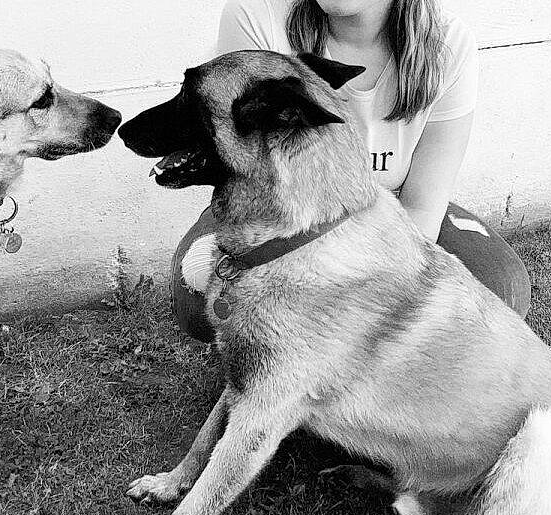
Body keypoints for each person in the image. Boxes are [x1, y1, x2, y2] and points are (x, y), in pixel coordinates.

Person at [173, 0, 531, 343]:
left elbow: (422, 206)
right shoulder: (256, 16)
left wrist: (359, 292)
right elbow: (244, 175)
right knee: (199, 295)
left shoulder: (449, 46)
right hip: (273, 217)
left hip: (391, 215)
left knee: (500, 286)